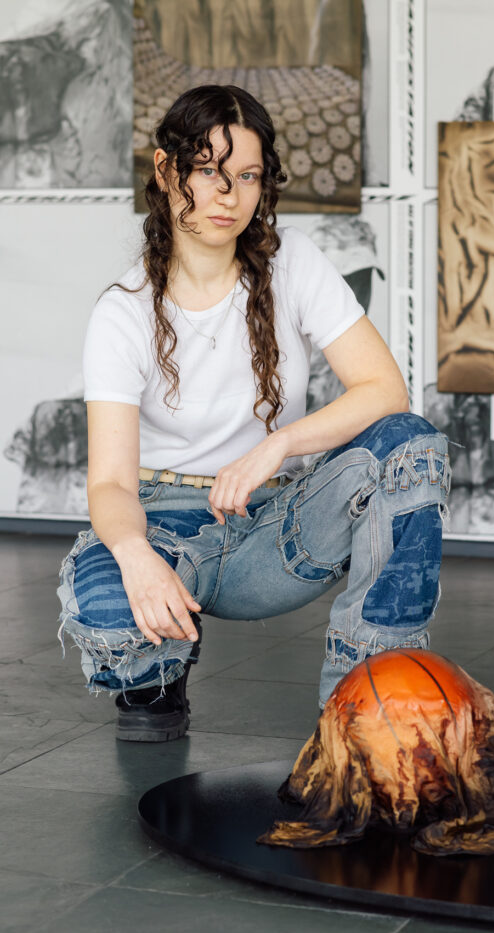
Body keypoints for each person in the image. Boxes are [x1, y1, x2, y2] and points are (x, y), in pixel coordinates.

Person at [57, 84, 450, 742]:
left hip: (275, 525)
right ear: (166, 171)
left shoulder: (291, 262)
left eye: (246, 176)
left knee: (410, 445)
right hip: (164, 523)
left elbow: (385, 391)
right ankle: (157, 679)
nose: (228, 195)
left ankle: (365, 699)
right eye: (207, 170)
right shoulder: (123, 312)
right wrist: (135, 555)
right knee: (108, 602)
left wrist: (278, 445)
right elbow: (111, 484)